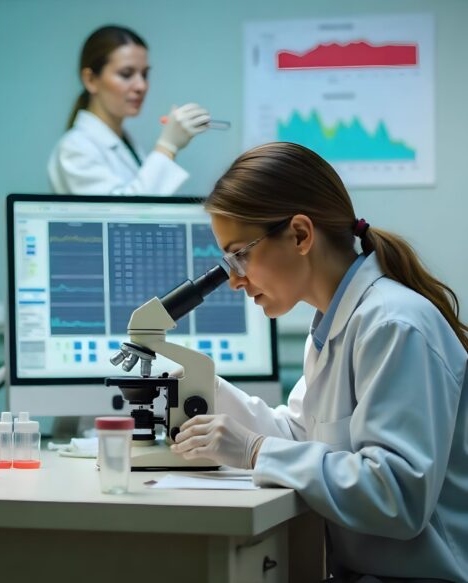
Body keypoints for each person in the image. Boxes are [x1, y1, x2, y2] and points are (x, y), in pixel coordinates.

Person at [171, 142, 468, 581]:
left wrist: (254, 451)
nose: (234, 280)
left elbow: (397, 495)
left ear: (300, 235)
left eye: (239, 255)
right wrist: (207, 387)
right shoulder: (333, 327)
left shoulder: (392, 324)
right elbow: (302, 434)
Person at [48, 25, 211, 195]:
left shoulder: (126, 144)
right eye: (126, 74)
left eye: (145, 74)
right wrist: (167, 146)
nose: (141, 86)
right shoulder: (75, 148)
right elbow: (124, 216)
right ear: (90, 80)